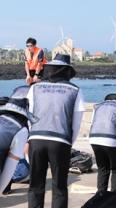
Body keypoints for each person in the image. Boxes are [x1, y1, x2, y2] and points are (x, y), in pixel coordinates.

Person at [26, 53, 86, 208]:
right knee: (59, 185)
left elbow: (29, 114)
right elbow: (77, 121)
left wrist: (32, 135)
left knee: (35, 184)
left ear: (49, 70)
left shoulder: (35, 88)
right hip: (61, 141)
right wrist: (69, 142)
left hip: (36, 139)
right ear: (67, 72)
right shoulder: (75, 90)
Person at [89, 93, 116, 193]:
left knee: (102, 168)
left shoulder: (98, 106)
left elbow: (93, 123)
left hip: (94, 138)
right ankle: (114, 195)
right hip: (112, 139)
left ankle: (101, 194)